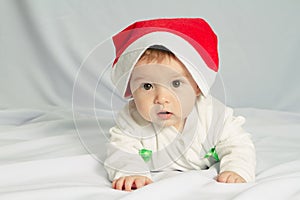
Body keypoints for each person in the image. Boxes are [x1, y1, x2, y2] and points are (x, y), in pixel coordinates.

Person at [104, 18, 256, 191]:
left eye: (176, 84)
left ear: (197, 87)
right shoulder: (132, 120)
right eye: (147, 86)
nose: (161, 98)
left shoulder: (212, 115)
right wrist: (130, 172)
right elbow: (120, 150)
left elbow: (238, 144)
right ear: (131, 89)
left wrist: (237, 169)